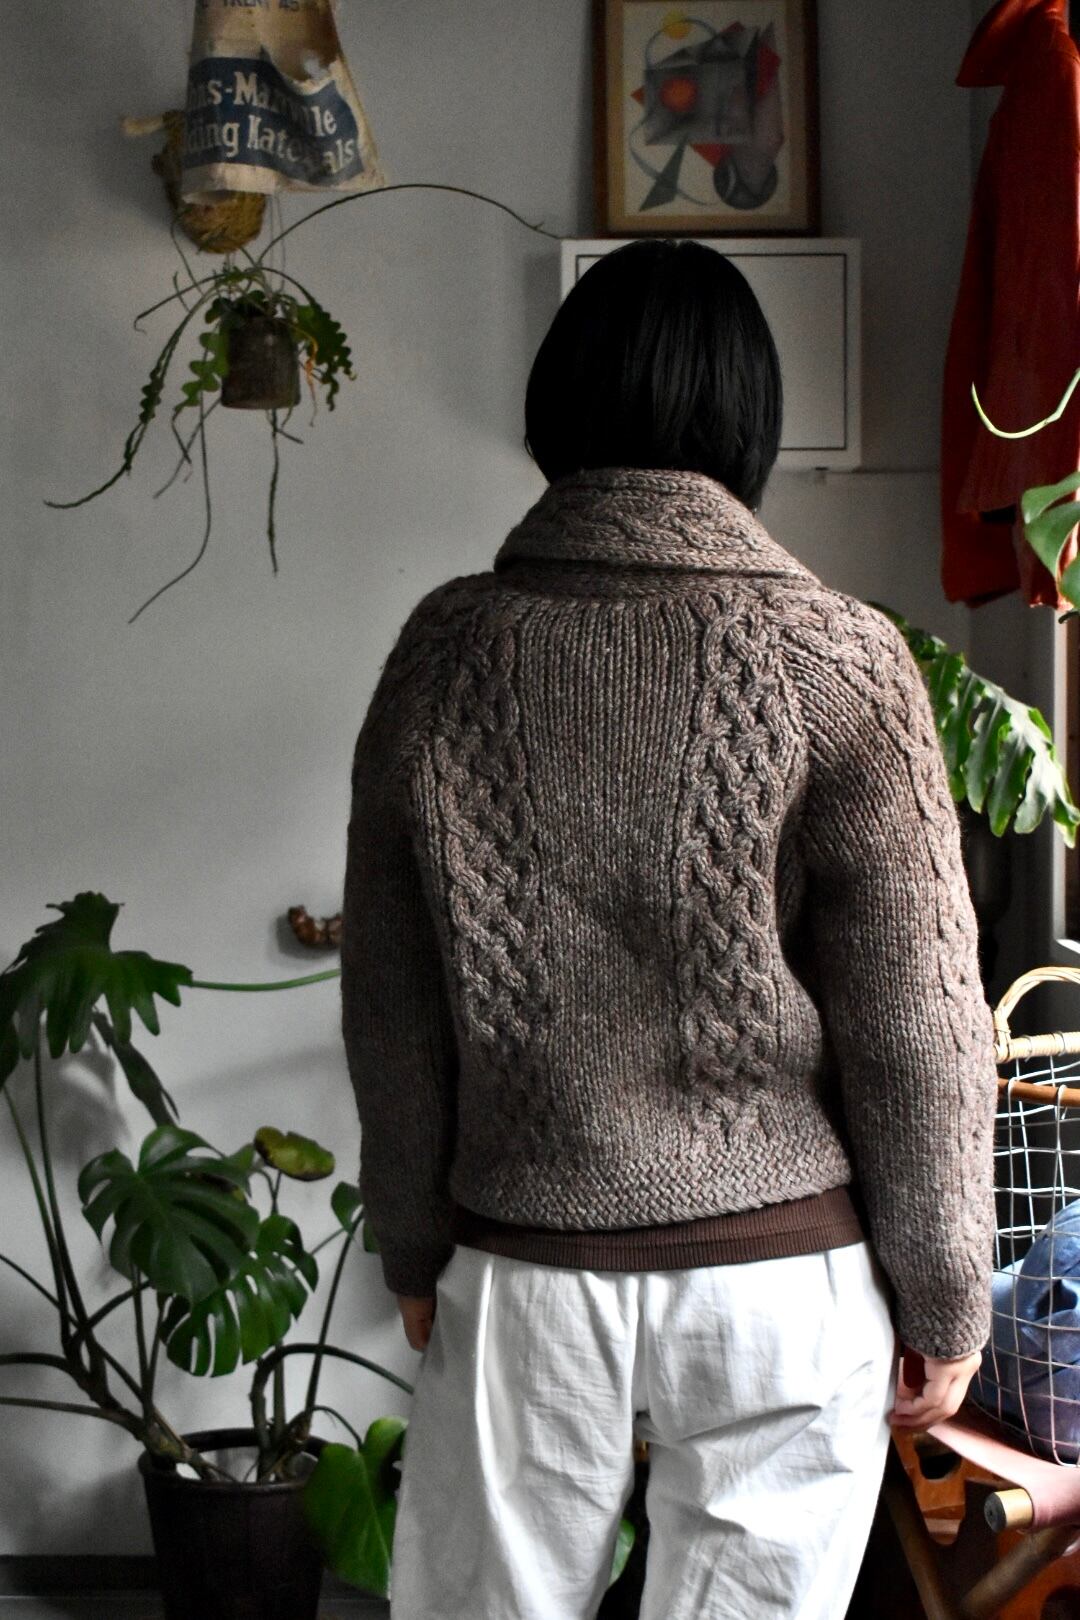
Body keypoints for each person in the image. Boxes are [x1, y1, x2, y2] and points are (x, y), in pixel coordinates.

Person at [339, 239, 998, 1620]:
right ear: (752, 422)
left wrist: (410, 1237)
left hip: (526, 1269)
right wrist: (945, 1291)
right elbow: (916, 1020)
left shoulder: (444, 652)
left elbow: (389, 991)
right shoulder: (842, 658)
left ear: (554, 407)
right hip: (786, 1288)